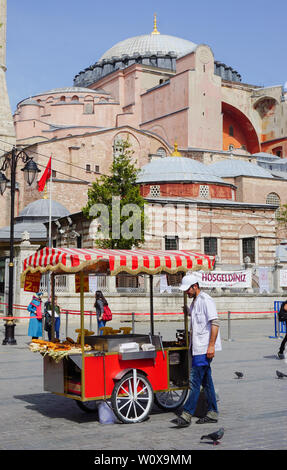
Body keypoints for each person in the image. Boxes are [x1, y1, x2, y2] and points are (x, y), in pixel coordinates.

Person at [171, 273, 222, 428]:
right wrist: (188, 311)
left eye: (188, 289)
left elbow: (215, 323)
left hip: (203, 348)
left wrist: (211, 345)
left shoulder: (206, 300)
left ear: (195, 286)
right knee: (207, 382)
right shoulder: (194, 302)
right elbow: (197, 319)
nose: (186, 292)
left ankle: (187, 414)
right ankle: (212, 412)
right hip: (197, 347)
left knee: (194, 381)